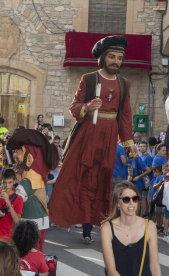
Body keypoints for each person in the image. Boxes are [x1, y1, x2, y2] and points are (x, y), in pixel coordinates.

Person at [49, 36, 138, 237]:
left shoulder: (124, 84)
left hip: (109, 135)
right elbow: (74, 107)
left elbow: (125, 114)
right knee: (83, 177)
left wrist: (129, 142)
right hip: (89, 133)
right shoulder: (88, 79)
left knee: (102, 180)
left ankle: (99, 221)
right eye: (112, 57)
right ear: (103, 58)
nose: (116, 61)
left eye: (120, 58)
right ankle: (84, 224)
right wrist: (87, 107)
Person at [101, 181, 161, 276]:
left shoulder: (149, 226)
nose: (131, 203)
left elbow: (155, 267)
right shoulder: (107, 228)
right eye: (126, 199)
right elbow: (111, 270)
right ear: (117, 203)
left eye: (135, 198)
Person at [127, 148, 151, 218]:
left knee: (137, 201)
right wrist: (129, 176)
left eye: (131, 157)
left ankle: (137, 217)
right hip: (133, 182)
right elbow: (129, 169)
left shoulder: (138, 159)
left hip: (138, 184)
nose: (130, 159)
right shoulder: (132, 160)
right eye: (129, 158)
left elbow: (148, 170)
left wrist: (139, 177)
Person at [151, 165, 163, 232]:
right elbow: (154, 188)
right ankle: (158, 225)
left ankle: (161, 225)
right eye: (154, 172)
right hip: (156, 199)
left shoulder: (161, 177)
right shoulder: (156, 178)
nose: (155, 174)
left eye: (156, 172)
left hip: (162, 198)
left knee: (162, 213)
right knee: (157, 212)